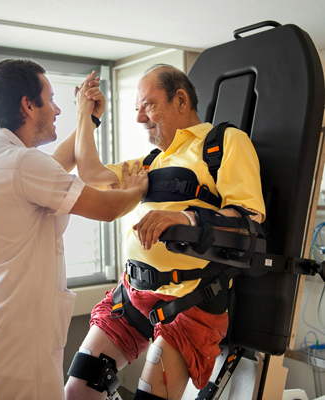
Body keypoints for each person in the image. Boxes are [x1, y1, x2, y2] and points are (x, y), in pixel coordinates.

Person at [64, 64, 266, 400]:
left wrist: (186, 219)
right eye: (136, 109)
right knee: (78, 390)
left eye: (148, 105)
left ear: (181, 99)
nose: (140, 118)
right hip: (133, 296)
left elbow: (247, 219)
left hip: (189, 300)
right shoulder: (150, 161)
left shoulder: (222, 144)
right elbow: (90, 173)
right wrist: (86, 115)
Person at [0, 59, 148, 400]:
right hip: (12, 359)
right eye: (52, 99)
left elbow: (59, 163)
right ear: (27, 105)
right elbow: (106, 208)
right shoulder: (21, 163)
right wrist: (138, 187)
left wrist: (88, 118)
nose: (58, 110)